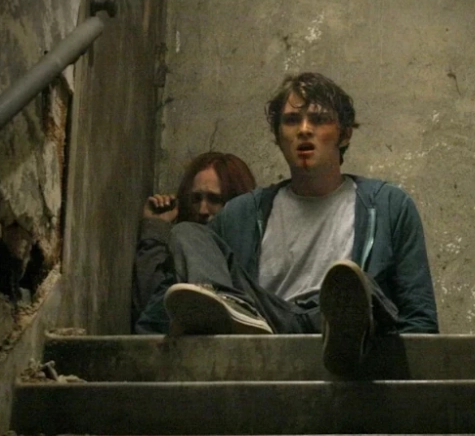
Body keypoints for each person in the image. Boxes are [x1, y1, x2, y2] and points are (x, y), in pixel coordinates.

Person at [152, 72, 438, 376]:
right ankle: (231, 310)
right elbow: (161, 310)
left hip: (342, 317)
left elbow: (420, 319)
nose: (304, 130)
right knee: (187, 232)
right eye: (291, 121)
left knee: (356, 284)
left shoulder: (389, 206)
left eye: (319, 119)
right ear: (278, 137)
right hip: (268, 319)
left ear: (344, 135)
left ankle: (348, 340)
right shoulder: (242, 213)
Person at [132, 151, 256, 331]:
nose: (202, 210)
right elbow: (148, 307)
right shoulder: (182, 248)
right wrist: (156, 228)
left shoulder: (252, 243)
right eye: (196, 199)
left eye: (214, 199)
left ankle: (222, 302)